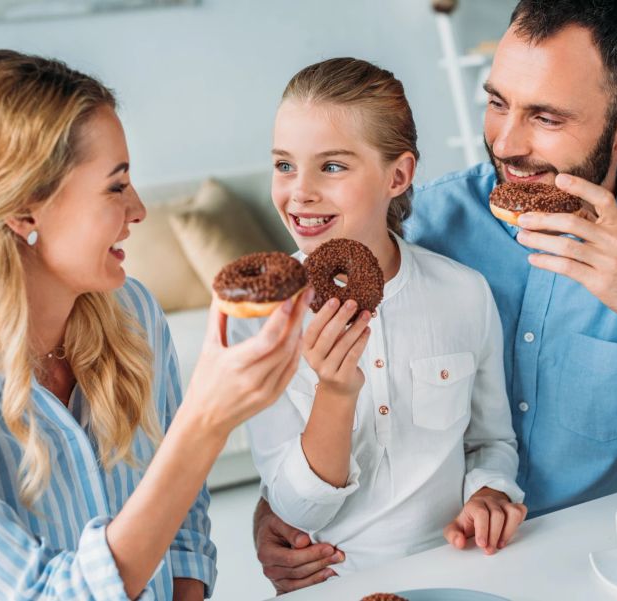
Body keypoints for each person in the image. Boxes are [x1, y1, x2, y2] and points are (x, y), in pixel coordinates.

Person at [253, 0, 617, 593]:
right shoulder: (420, 226)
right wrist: (277, 508)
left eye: (547, 118)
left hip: (588, 561)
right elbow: (327, 409)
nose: (504, 142)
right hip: (438, 568)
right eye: (497, 101)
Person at [0, 49, 310, 600]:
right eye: (115, 186)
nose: (138, 209)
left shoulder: (133, 313)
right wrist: (205, 423)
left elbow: (183, 528)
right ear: (22, 210)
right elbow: (43, 594)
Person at [229, 57, 526, 579]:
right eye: (284, 165)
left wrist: (488, 491)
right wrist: (336, 393)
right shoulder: (261, 320)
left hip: (460, 570)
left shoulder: (464, 293)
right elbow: (296, 511)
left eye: (333, 166)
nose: (300, 191)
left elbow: (490, 441)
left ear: (399, 175)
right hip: (335, 583)